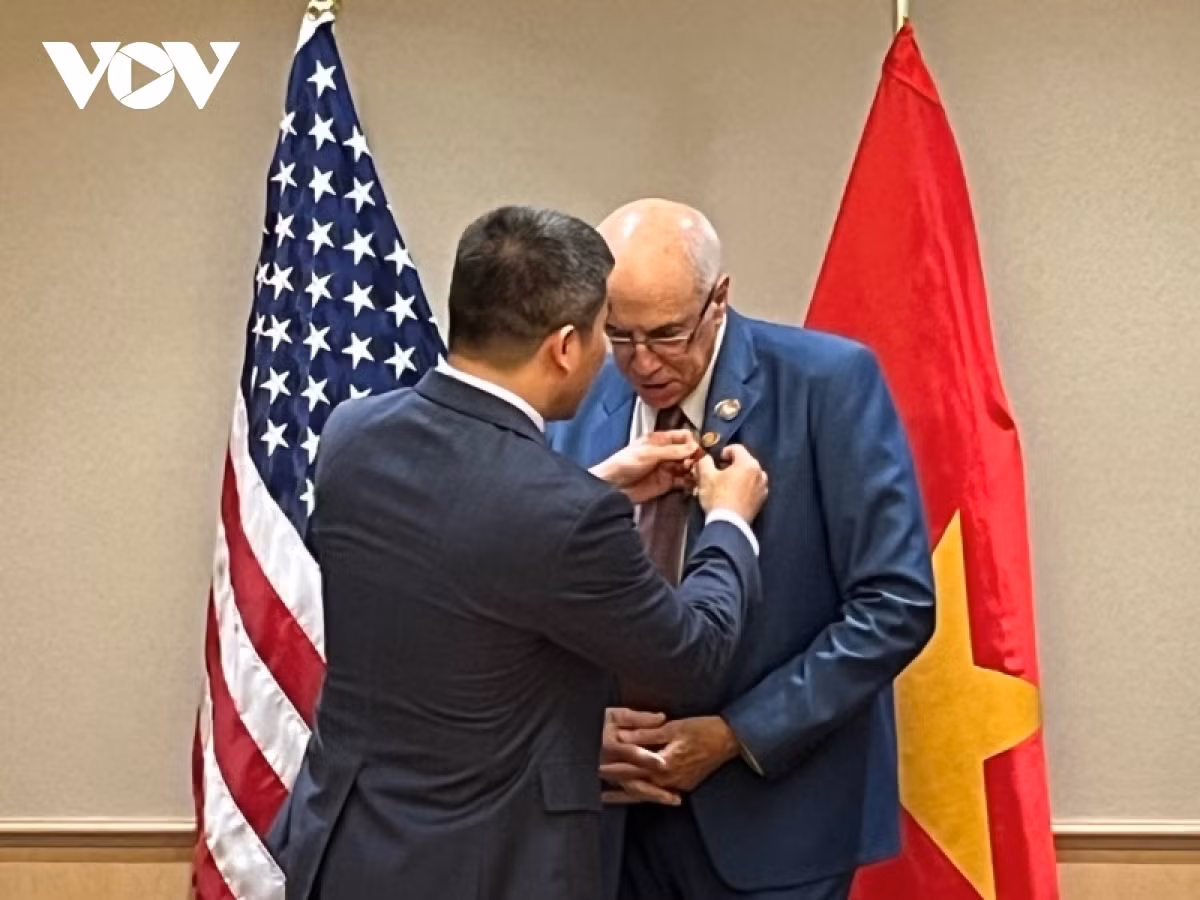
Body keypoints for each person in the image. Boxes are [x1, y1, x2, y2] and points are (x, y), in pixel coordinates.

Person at [266, 204, 770, 900]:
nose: (613, 358)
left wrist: (596, 483)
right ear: (564, 346)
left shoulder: (353, 434)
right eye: (605, 332)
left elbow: (445, 570)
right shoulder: (565, 513)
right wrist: (730, 519)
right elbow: (694, 650)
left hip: (344, 850)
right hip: (485, 868)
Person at [547, 198, 936, 900]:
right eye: (619, 333)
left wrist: (734, 734)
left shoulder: (826, 384)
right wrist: (578, 730)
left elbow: (895, 604)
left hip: (775, 815)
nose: (642, 362)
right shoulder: (577, 399)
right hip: (609, 821)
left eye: (667, 334)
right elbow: (538, 600)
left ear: (718, 299)